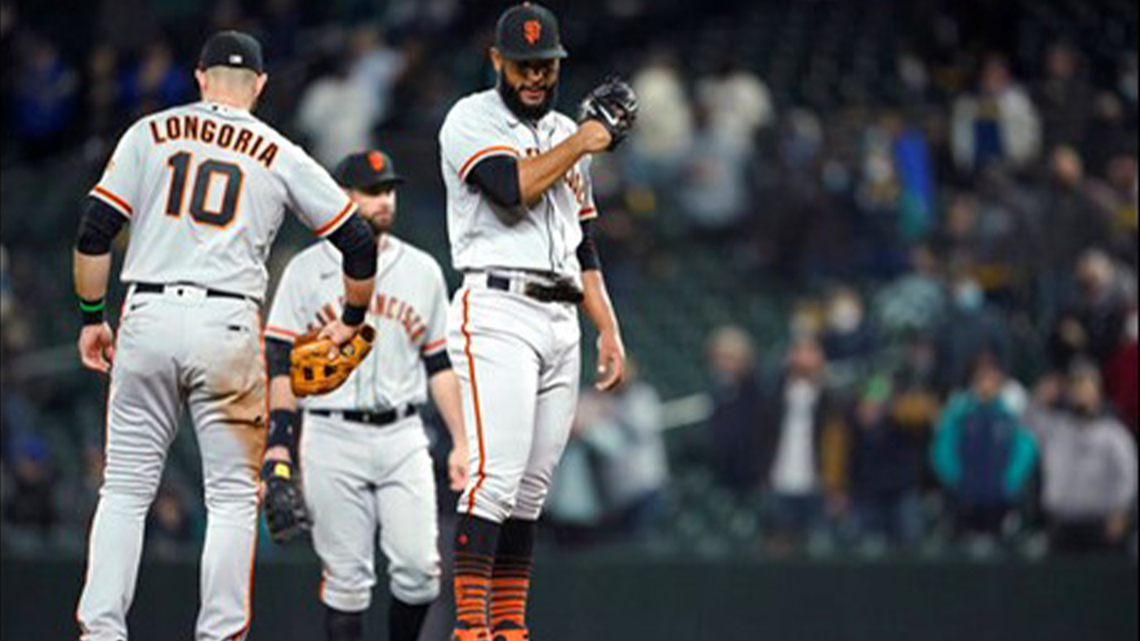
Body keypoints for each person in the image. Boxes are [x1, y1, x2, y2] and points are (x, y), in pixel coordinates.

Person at [72, 31, 377, 641]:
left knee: (126, 490)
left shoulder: (149, 133)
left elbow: (94, 232)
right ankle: (220, 634)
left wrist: (90, 318)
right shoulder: (278, 149)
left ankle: (101, 631)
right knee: (233, 499)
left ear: (200, 78)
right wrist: (349, 319)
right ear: (259, 86)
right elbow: (358, 240)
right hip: (229, 325)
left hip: (148, 314)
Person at [437, 4, 635, 640]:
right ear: (497, 60)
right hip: (497, 307)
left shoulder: (560, 128)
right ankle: (471, 630)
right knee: (494, 481)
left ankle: (507, 628)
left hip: (559, 315)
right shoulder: (471, 118)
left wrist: (606, 325)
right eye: (522, 64)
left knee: (529, 491)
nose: (534, 76)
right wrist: (582, 139)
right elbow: (508, 187)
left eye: (544, 65)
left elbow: (583, 242)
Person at [262, 150, 468, 641]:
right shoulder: (306, 270)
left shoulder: (421, 270)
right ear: (343, 196)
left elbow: (439, 363)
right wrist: (279, 441)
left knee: (421, 574)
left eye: (389, 190)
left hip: (403, 433)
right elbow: (279, 362)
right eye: (372, 191)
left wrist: (462, 440)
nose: (384, 201)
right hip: (331, 434)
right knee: (347, 582)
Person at [1030, 365, 1138, 555]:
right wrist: (1039, 399)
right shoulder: (1055, 428)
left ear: (1098, 392)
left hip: (1101, 524)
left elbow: (1127, 477)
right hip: (1061, 522)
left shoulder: (1114, 433)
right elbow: (1025, 423)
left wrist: (1121, 512)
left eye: (1086, 388)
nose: (1081, 394)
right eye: (1076, 389)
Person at [931, 355, 1038, 540]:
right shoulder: (960, 413)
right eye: (981, 379)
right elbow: (942, 447)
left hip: (1000, 501)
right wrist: (955, 478)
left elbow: (1026, 449)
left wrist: (1011, 481)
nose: (986, 385)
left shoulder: (1009, 416)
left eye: (991, 380)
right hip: (964, 498)